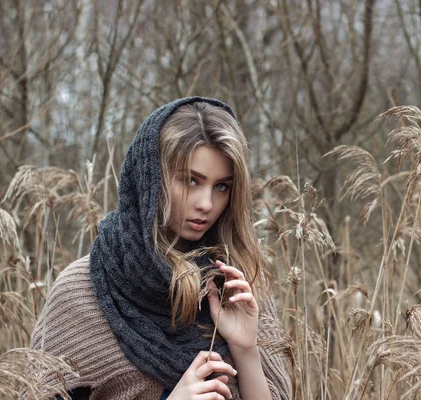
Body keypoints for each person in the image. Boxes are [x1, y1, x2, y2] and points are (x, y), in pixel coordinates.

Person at [26, 97, 291, 399]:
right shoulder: (81, 290)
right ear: (151, 178)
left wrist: (246, 350)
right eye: (191, 180)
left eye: (222, 187)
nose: (206, 204)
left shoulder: (240, 283)